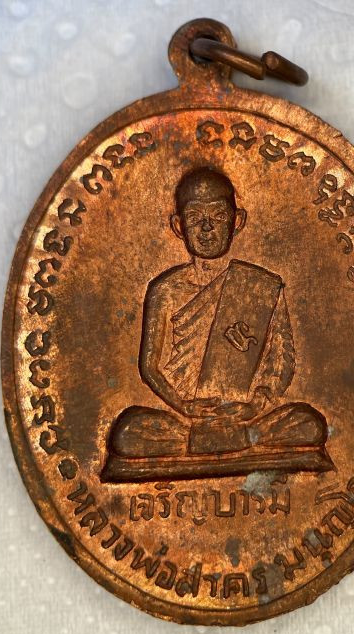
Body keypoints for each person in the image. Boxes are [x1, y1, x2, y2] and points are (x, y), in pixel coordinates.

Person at [106, 166, 328, 463]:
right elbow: (149, 367)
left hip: (245, 417)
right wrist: (184, 406)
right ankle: (230, 440)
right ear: (178, 226)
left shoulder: (262, 286)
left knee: (309, 424)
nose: (207, 228)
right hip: (186, 418)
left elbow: (281, 360)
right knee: (127, 433)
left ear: (237, 221)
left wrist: (255, 406)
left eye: (219, 216)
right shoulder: (165, 289)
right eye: (195, 217)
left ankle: (239, 436)